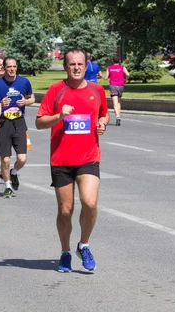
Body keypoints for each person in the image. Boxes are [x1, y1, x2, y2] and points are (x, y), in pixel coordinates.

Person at [35, 49, 109, 273]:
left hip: (88, 158)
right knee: (65, 210)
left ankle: (83, 245)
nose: (76, 67)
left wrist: (102, 124)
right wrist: (59, 116)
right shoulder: (56, 91)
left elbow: (104, 114)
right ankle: (65, 252)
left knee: (90, 202)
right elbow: (39, 123)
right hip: (61, 160)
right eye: (72, 64)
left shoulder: (97, 91)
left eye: (80, 64)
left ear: (86, 66)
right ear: (66, 66)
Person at [0, 57, 35, 198]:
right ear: (4, 68)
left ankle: (14, 172)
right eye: (9, 67)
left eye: (14, 66)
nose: (12, 69)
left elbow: (32, 98)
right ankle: (7, 186)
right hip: (4, 123)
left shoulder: (24, 82)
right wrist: (0, 105)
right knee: (5, 159)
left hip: (19, 122)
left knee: (22, 158)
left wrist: (25, 101)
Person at [104, 56, 130, 126]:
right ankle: (119, 115)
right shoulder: (122, 67)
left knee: (115, 102)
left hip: (113, 86)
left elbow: (105, 78)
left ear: (112, 61)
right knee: (118, 101)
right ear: (119, 61)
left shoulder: (109, 68)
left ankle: (117, 116)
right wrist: (125, 80)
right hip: (121, 86)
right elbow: (127, 74)